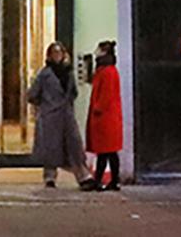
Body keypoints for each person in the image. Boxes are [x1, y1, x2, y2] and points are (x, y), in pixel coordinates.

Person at [27, 42, 95, 189]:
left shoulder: (68, 73)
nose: (57, 56)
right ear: (49, 56)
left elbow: (73, 92)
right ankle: (50, 177)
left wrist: (66, 104)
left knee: (74, 145)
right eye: (55, 53)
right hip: (50, 117)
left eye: (60, 53)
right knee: (51, 148)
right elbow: (32, 94)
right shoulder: (44, 74)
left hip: (66, 115)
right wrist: (45, 106)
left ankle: (83, 176)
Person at [86, 39, 123, 190]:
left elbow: (105, 95)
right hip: (109, 117)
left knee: (104, 151)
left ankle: (100, 180)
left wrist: (97, 108)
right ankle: (113, 180)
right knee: (110, 151)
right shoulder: (108, 70)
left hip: (105, 118)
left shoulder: (106, 72)